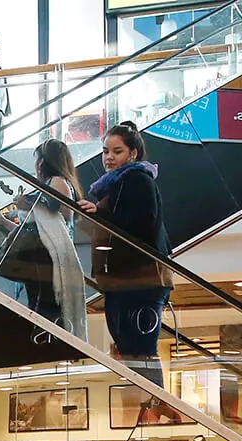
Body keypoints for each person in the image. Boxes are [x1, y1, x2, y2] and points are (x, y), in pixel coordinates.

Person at [79, 122, 171, 360]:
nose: (108, 157)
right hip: (127, 279)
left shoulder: (137, 179)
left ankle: (149, 397)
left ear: (133, 153)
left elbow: (143, 225)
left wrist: (100, 214)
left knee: (140, 352)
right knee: (133, 352)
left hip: (140, 279)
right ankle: (143, 397)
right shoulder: (116, 184)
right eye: (105, 151)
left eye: (116, 151)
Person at [10, 139, 88, 340]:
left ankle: (47, 343)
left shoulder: (57, 182)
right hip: (44, 256)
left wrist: (26, 203)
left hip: (51, 257)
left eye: (39, 160)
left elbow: (53, 207)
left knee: (46, 308)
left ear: (45, 161)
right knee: (40, 306)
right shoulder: (57, 182)